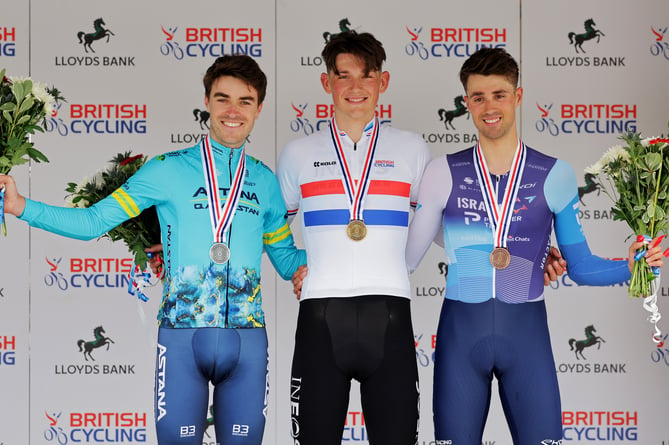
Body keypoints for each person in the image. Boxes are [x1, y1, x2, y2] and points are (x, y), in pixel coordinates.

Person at [0, 54, 306, 445]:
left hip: (248, 342)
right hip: (181, 341)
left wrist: (360, 253)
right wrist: (20, 206)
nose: (233, 111)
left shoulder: (265, 182)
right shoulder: (167, 169)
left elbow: (287, 262)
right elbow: (93, 222)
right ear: (207, 103)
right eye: (222, 98)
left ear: (259, 108)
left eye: (245, 101)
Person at [404, 47, 665, 445]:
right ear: (466, 103)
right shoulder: (442, 171)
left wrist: (635, 264)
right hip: (460, 337)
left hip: (526, 337)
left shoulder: (555, 173)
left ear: (518, 96)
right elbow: (406, 258)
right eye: (478, 97)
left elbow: (580, 266)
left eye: (499, 95)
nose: (489, 107)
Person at [276, 31, 428, 445]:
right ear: (327, 83)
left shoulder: (412, 149)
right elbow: (269, 227)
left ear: (383, 81)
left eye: (367, 76)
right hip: (319, 317)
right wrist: (293, 266)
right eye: (344, 76)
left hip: (391, 314)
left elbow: (443, 226)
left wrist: (530, 249)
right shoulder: (297, 153)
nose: (356, 88)